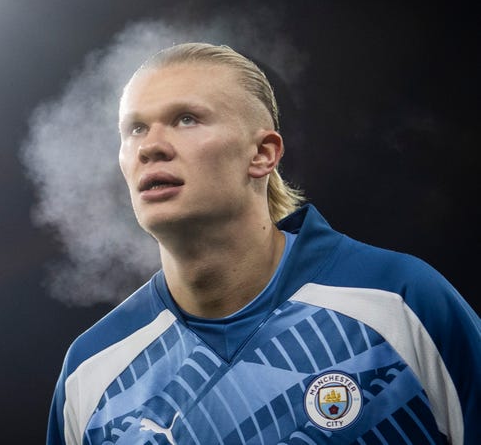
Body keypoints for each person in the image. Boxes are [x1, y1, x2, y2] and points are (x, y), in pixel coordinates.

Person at [46, 42, 480, 444]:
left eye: (186, 119)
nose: (150, 147)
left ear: (263, 154)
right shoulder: (91, 372)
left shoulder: (399, 301)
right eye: (135, 129)